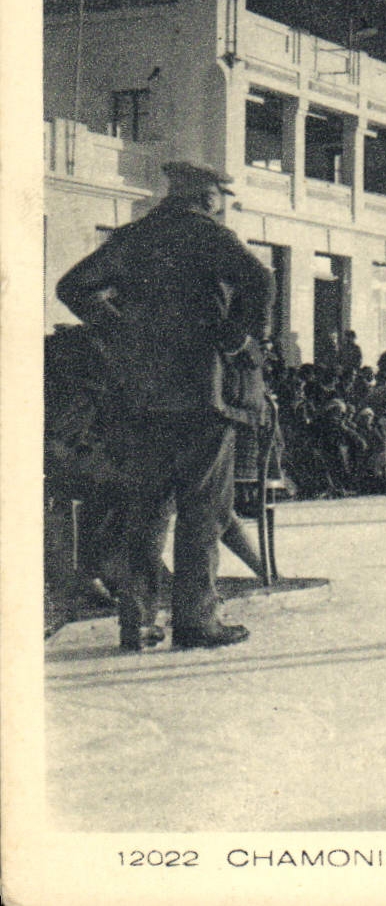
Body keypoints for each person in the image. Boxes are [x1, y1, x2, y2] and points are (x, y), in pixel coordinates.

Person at [55, 160, 274, 651]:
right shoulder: (208, 235)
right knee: (201, 507)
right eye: (222, 195)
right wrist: (238, 339)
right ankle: (197, 621)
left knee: (145, 510)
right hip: (202, 393)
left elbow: (71, 288)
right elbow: (259, 280)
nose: (224, 204)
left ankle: (136, 622)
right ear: (207, 197)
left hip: (139, 394)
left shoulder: (133, 237)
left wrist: (119, 333)